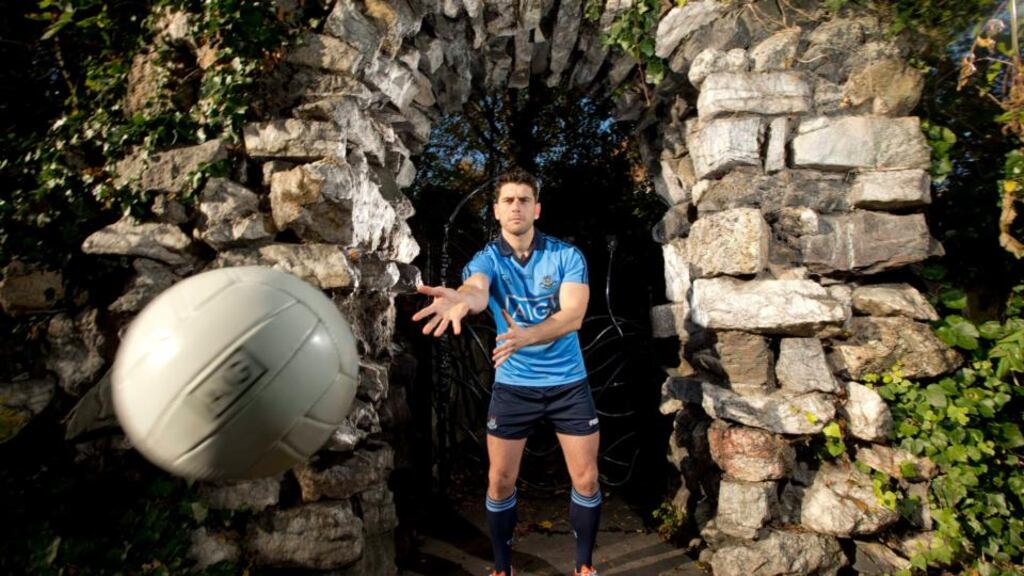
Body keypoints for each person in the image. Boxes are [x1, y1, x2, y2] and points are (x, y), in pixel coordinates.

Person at [412, 168, 601, 576]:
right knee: (499, 482)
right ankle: (502, 568)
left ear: (537, 208)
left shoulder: (566, 256)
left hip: (569, 384)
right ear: (496, 211)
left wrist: (526, 336)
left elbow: (572, 317)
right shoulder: (487, 259)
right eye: (508, 200)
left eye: (523, 199)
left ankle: (585, 566)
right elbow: (477, 289)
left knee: (586, 479)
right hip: (514, 387)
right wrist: (462, 300)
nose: (516, 206)